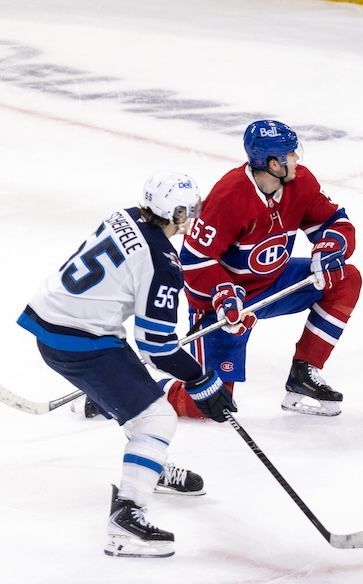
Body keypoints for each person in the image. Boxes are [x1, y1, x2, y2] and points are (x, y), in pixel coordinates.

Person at [16, 171, 237, 558]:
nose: (196, 216)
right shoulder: (162, 260)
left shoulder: (127, 214)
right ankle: (126, 520)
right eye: (192, 209)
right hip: (78, 342)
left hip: (56, 320)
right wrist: (202, 381)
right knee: (157, 418)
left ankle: (147, 464)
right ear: (178, 211)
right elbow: (156, 346)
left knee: (141, 391)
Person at [169, 119, 361, 418]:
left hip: (275, 283)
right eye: (290, 154)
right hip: (229, 304)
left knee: (346, 279)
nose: (297, 159)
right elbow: (194, 260)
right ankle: (135, 390)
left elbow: (335, 221)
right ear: (273, 164)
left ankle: (303, 374)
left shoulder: (302, 182)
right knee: (209, 405)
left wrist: (332, 245)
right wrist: (222, 295)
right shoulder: (228, 197)